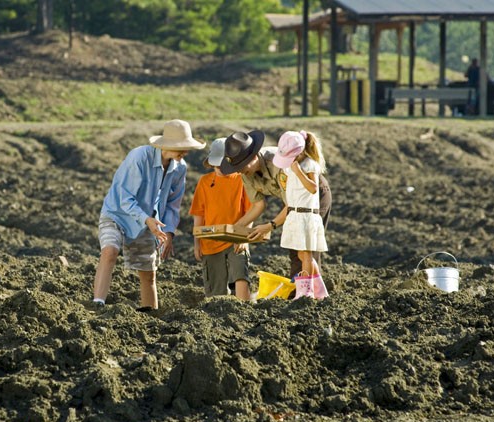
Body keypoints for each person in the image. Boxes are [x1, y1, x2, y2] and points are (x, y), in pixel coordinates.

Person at [92, 119, 206, 311]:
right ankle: (97, 303)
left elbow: (172, 204)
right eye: (182, 148)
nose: (185, 152)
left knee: (148, 271)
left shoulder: (180, 168)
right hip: (117, 214)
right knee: (109, 251)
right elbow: (124, 197)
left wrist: (169, 232)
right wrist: (147, 219)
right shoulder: (139, 157)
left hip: (148, 220)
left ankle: (150, 314)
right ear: (167, 146)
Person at [219, 130, 332, 282]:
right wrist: (237, 232)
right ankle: (312, 289)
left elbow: (293, 205)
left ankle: (305, 294)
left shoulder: (279, 164)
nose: (239, 171)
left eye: (241, 166)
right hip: (292, 202)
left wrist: (270, 226)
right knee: (297, 246)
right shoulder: (245, 173)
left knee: (303, 247)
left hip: (311, 195)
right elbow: (258, 205)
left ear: (253, 157)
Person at [255, 131, 329, 300]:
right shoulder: (289, 168)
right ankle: (319, 290)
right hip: (295, 213)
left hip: (306, 215)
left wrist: (298, 172)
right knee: (302, 255)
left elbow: (313, 188)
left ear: (300, 152)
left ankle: (306, 292)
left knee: (306, 255)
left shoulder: (310, 165)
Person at [190, 138, 253, 301]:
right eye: (216, 164)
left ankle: (245, 309)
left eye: (222, 164)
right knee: (215, 293)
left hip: (236, 239)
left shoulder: (242, 180)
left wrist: (244, 238)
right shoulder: (204, 182)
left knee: (241, 275)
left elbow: (250, 212)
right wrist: (197, 242)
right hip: (210, 241)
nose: (218, 168)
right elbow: (199, 214)